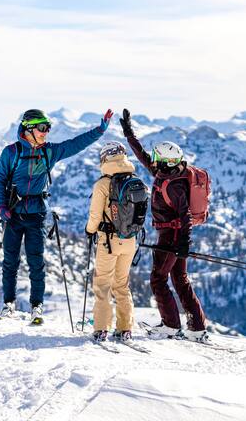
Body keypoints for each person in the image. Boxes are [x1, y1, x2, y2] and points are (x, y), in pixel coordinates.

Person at [0, 108, 113, 323]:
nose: (45, 132)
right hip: (13, 214)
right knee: (10, 262)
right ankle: (8, 304)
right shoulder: (11, 152)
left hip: (37, 213)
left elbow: (75, 144)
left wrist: (100, 130)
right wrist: (2, 207)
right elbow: (0, 180)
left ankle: (36, 306)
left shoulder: (49, 152)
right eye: (42, 128)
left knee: (36, 262)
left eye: (47, 128)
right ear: (28, 128)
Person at [120, 108, 209, 342]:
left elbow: (185, 216)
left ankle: (170, 325)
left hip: (171, 237)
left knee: (158, 278)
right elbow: (143, 157)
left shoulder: (173, 184)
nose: (154, 162)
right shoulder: (166, 174)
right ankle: (197, 327)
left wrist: (182, 245)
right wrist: (129, 133)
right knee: (180, 279)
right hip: (175, 237)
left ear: (164, 161)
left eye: (157, 159)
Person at [85, 141, 140, 342]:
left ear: (105, 158)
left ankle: (101, 329)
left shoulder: (103, 184)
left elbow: (95, 215)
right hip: (130, 241)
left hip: (108, 241)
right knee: (122, 285)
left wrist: (89, 230)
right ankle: (125, 328)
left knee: (102, 285)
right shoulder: (134, 179)